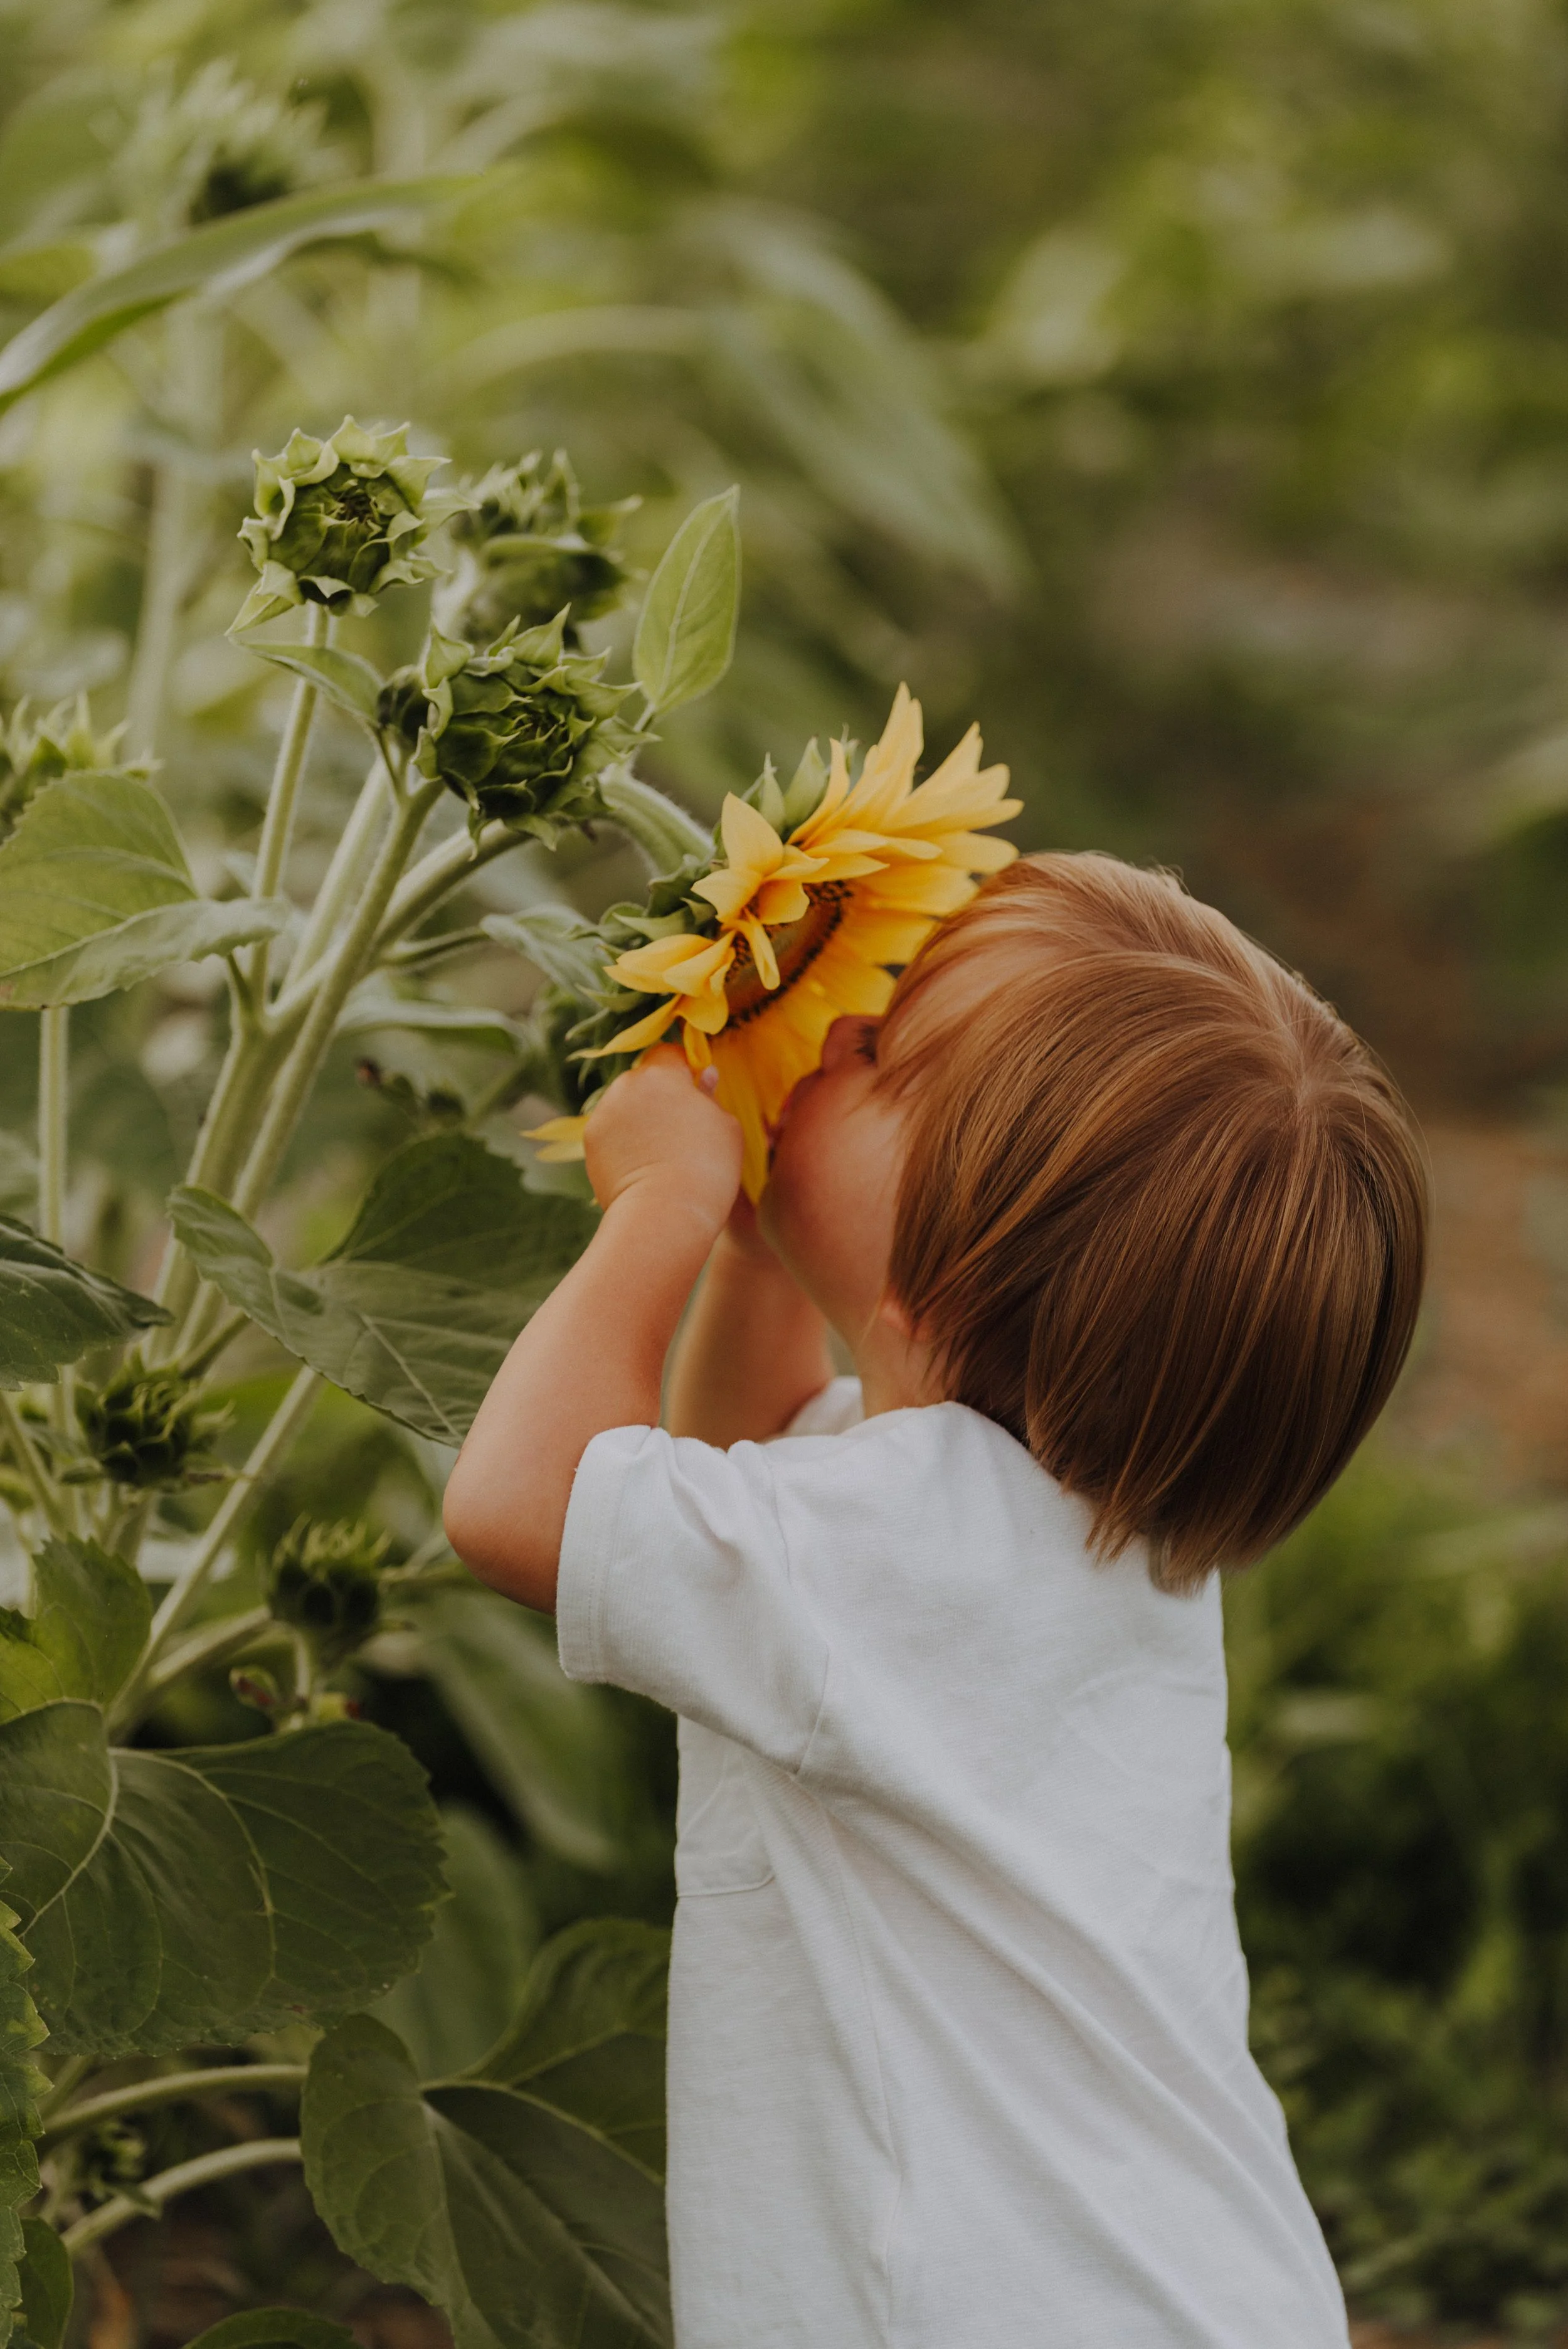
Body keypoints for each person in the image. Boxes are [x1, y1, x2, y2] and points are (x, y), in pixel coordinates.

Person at [443, 849, 1428, 2349]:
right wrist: (761, 1232)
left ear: (943, 1284)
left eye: (880, 1052)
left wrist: (654, 1200)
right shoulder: (1042, 1528)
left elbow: (518, 1507)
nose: (837, 1028)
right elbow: (741, 1455)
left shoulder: (913, 1551)